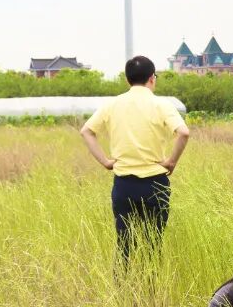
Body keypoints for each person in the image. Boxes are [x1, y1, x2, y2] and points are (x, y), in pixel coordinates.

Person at [80, 55, 190, 268]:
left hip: (124, 184)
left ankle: (122, 287)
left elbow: (86, 131)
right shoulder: (161, 105)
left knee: (124, 244)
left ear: (127, 79)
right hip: (155, 184)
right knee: (153, 245)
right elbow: (183, 133)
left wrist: (106, 161)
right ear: (152, 78)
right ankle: (151, 287)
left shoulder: (112, 104)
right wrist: (171, 162)